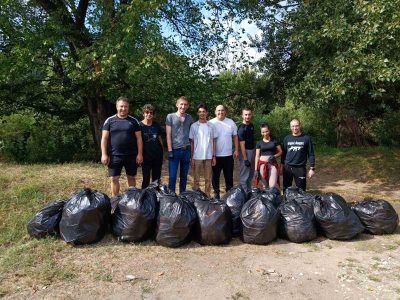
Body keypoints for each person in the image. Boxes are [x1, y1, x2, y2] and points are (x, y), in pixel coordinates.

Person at [101, 96, 143, 196]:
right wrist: (104, 154)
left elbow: (139, 139)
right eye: (121, 106)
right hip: (115, 155)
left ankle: (131, 200)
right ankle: (115, 201)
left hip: (131, 155)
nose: (123, 109)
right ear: (117, 107)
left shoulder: (134, 121)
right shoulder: (109, 121)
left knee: (131, 177)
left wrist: (140, 154)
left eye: (125, 107)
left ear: (128, 108)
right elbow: (104, 138)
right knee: (114, 178)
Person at [210, 104, 239, 199]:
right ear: (215, 112)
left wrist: (236, 149)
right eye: (218, 110)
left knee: (229, 177)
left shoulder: (231, 122)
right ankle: (216, 194)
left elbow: (235, 136)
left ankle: (229, 195)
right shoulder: (211, 123)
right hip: (215, 156)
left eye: (222, 110)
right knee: (215, 177)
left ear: (225, 112)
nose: (220, 112)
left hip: (228, 155)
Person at [166, 96, 194, 193]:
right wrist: (169, 150)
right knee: (173, 176)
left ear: (188, 106)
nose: (183, 106)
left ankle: (182, 195)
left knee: (184, 176)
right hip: (174, 150)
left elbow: (192, 136)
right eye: (181, 104)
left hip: (186, 150)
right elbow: (168, 134)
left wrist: (191, 153)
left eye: (185, 104)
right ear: (177, 105)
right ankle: (171, 197)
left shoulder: (190, 118)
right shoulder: (170, 116)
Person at [189, 103, 217, 197]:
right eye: (200, 112)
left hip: (209, 156)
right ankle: (197, 197)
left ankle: (207, 197)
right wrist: (192, 157)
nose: (202, 113)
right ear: (197, 113)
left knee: (208, 179)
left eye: (204, 111)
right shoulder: (193, 126)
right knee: (196, 179)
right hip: (197, 156)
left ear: (207, 113)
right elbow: (192, 142)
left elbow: (214, 142)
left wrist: (214, 156)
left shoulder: (211, 126)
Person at [281, 119, 316, 192]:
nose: (295, 128)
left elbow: (311, 153)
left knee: (301, 190)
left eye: (296, 126)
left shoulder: (306, 138)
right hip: (288, 167)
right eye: (293, 126)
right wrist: (281, 166)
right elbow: (283, 154)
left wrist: (312, 168)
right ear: (290, 127)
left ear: (300, 126)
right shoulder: (287, 138)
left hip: (300, 167)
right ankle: (286, 202)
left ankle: (302, 203)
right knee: (286, 189)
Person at [140, 104, 164, 189]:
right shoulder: (139, 126)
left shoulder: (156, 125)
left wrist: (163, 154)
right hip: (145, 156)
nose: (149, 114)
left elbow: (160, 139)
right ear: (143, 113)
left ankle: (155, 197)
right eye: (147, 112)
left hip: (157, 155)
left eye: (151, 112)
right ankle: (144, 197)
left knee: (156, 179)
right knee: (146, 178)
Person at [254, 123, 282, 189]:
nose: (265, 133)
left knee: (272, 185)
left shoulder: (274, 141)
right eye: (263, 132)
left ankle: (273, 198)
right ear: (261, 133)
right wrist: (256, 169)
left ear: (269, 131)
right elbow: (257, 156)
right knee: (264, 186)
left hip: (272, 164)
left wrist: (274, 156)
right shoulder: (259, 143)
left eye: (266, 131)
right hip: (262, 165)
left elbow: (281, 152)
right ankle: (266, 199)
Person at [238, 108, 255, 192]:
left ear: (251, 115)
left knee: (250, 175)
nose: (247, 116)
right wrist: (245, 159)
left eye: (249, 114)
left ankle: (248, 192)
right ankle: (243, 195)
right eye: (245, 114)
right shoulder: (241, 128)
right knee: (244, 175)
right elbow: (242, 145)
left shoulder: (251, 125)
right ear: (242, 115)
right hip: (245, 152)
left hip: (252, 151)